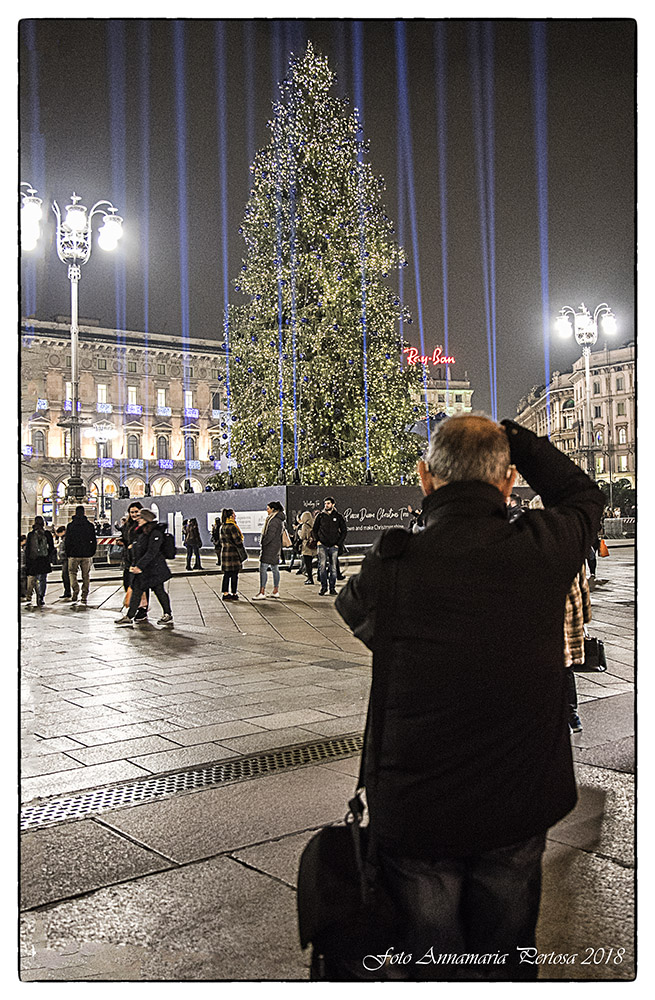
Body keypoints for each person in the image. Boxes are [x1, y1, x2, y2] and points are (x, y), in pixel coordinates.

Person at [335, 413, 603, 981]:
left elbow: (352, 609)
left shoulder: (391, 563)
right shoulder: (543, 548)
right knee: (505, 954)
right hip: (518, 798)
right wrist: (515, 438)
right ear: (508, 480)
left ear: (425, 477)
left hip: (416, 806)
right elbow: (582, 494)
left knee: (430, 962)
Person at [115, 510, 173, 626]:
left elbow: (152, 552)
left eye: (140, 518)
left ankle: (167, 613)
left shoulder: (155, 533)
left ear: (147, 520)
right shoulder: (142, 532)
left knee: (159, 591)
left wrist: (139, 566)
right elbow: (139, 550)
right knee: (137, 591)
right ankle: (129, 616)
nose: (138, 520)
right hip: (144, 569)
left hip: (154, 569)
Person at [563, 566, 592, 734]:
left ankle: (568, 716)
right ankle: (572, 715)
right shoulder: (572, 553)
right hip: (570, 615)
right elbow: (583, 586)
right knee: (567, 668)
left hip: (552, 616)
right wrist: (585, 617)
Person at [117, 501, 149, 621]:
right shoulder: (128, 525)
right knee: (127, 583)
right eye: (132, 512)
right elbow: (126, 538)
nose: (134, 514)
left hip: (139, 559)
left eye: (136, 512)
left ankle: (141, 609)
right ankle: (135, 607)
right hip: (128, 559)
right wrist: (122, 541)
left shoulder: (143, 525)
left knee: (141, 586)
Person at [313, 497, 347, 596]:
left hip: (334, 545)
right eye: (325, 503)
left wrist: (338, 543)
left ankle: (332, 588)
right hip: (322, 545)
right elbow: (314, 529)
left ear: (333, 504)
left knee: (333, 568)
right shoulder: (320, 516)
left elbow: (344, 530)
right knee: (322, 566)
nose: (326, 505)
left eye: (328, 503)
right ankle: (324, 587)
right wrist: (317, 541)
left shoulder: (338, 516)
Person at [64, 505, 97, 605]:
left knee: (72, 573)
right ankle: (84, 595)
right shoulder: (89, 526)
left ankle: (75, 589)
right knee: (86, 575)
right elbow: (93, 540)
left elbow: (67, 541)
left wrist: (68, 553)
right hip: (86, 554)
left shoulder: (70, 526)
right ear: (84, 513)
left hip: (73, 554)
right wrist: (92, 552)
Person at [253, 500, 286, 600]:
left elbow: (270, 534)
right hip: (275, 546)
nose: (267, 510)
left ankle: (262, 592)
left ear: (273, 509)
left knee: (263, 568)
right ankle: (275, 591)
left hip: (270, 547)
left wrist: (263, 542)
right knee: (275, 568)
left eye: (268, 508)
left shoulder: (274, 520)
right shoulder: (278, 519)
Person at [24, 516, 56, 607]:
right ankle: (41, 596)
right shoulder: (47, 534)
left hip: (34, 560)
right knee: (42, 579)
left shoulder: (31, 535)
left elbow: (28, 549)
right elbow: (51, 547)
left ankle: (34, 595)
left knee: (34, 579)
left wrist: (28, 561)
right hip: (44, 559)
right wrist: (48, 556)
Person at [219, 508, 245, 600]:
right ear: (230, 516)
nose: (235, 516)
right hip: (233, 553)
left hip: (225, 552)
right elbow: (237, 541)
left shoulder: (222, 527)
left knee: (226, 574)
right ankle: (234, 593)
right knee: (234, 574)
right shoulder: (232, 527)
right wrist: (241, 541)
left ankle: (225, 593)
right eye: (234, 514)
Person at [298, 510, 317, 585]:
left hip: (306, 547)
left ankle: (310, 579)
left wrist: (299, 532)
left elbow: (303, 536)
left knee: (308, 564)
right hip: (313, 547)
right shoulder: (314, 524)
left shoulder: (305, 525)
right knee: (311, 563)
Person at [54, 525, 71, 599]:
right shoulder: (64, 538)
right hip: (65, 559)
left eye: (59, 533)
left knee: (65, 575)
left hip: (66, 559)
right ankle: (67, 591)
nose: (58, 535)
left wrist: (61, 554)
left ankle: (68, 592)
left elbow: (65, 549)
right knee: (65, 575)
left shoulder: (65, 539)